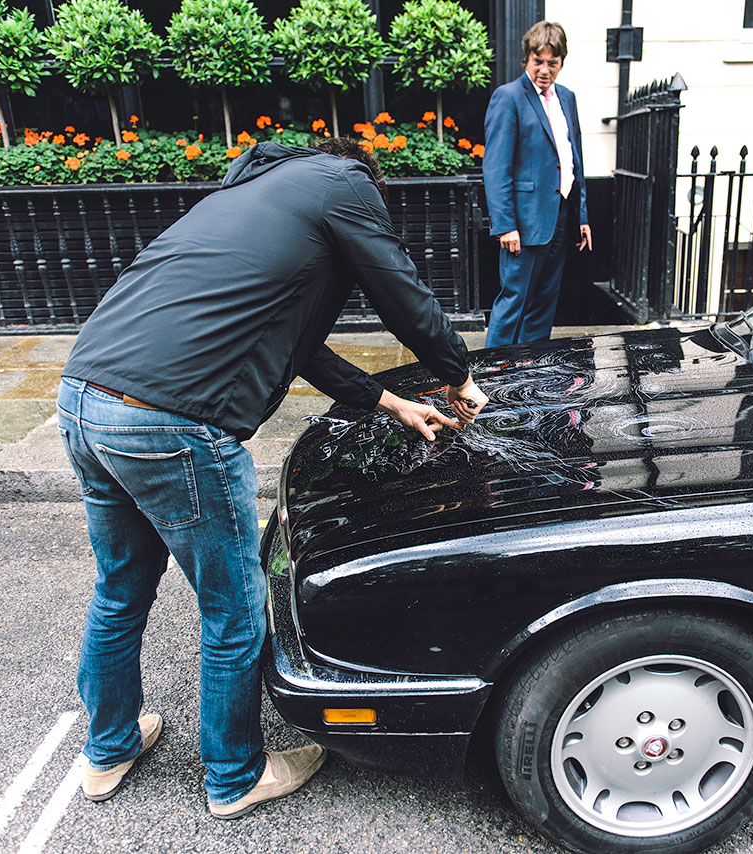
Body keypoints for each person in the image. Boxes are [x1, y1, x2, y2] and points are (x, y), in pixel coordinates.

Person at [55, 137, 488, 819]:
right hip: (173, 422)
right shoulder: (345, 183)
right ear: (360, 173)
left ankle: (107, 751)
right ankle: (233, 776)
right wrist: (457, 373)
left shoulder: (253, 196)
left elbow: (299, 346)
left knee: (120, 589)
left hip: (86, 396)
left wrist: (393, 401)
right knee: (231, 608)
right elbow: (399, 290)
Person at [482, 20, 592, 348]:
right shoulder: (509, 97)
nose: (544, 70)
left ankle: (531, 370)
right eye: (537, 61)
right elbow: (496, 167)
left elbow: (573, 159)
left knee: (545, 302)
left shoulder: (567, 98)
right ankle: (490, 376)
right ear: (526, 59)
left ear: (561, 63)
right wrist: (505, 226)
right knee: (514, 301)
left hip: (561, 213)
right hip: (525, 220)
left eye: (552, 63)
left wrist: (582, 216)